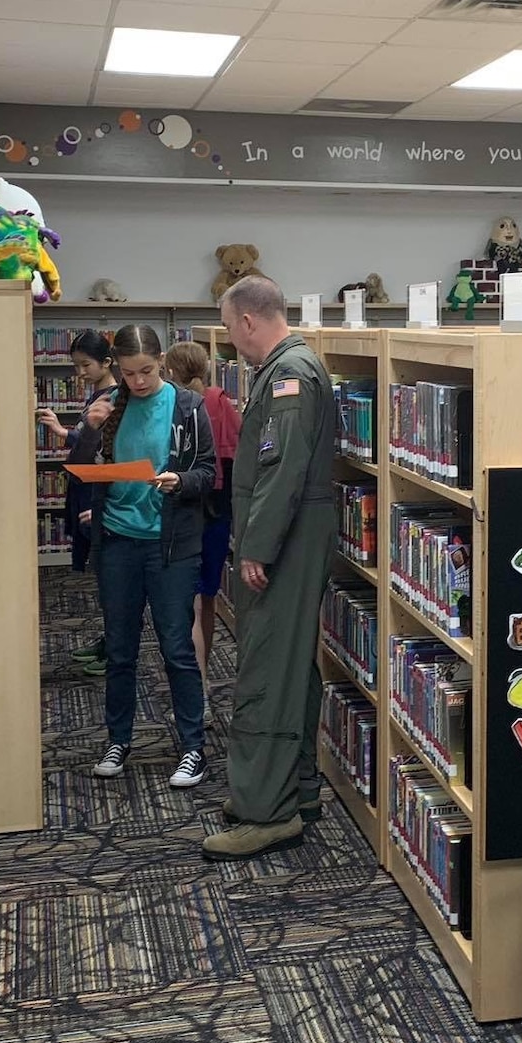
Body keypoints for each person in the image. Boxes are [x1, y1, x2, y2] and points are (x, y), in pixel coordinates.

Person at [204, 276, 338, 861]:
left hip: (285, 544)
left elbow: (280, 472)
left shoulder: (290, 378)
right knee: (287, 666)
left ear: (249, 322)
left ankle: (267, 811)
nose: (232, 343)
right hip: (294, 539)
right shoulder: (291, 367)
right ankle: (296, 788)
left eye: (231, 330)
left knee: (266, 669)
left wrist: (255, 546)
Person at [88, 324, 218, 790]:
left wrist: (179, 482)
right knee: (119, 649)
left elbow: (208, 472)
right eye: (127, 373)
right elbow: (91, 468)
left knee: (177, 648)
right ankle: (117, 739)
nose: (137, 382)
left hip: (170, 545)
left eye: (145, 371)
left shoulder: (188, 406)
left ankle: (192, 747)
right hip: (118, 541)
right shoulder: (109, 406)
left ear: (161, 361)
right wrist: (91, 432)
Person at [38, 328, 117, 675]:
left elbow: (101, 448)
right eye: (76, 366)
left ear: (107, 362)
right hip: (84, 486)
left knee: (108, 573)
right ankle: (108, 640)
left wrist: (68, 434)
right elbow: (87, 439)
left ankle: (114, 647)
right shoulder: (97, 395)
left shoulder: (113, 398)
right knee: (99, 574)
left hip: (97, 490)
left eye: (86, 366)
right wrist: (63, 432)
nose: (79, 373)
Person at [162, 340, 242, 682]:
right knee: (205, 600)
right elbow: (240, 454)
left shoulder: (172, 406)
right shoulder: (220, 402)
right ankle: (204, 675)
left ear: (169, 372)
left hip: (181, 513)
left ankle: (192, 683)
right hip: (217, 515)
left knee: (182, 602)